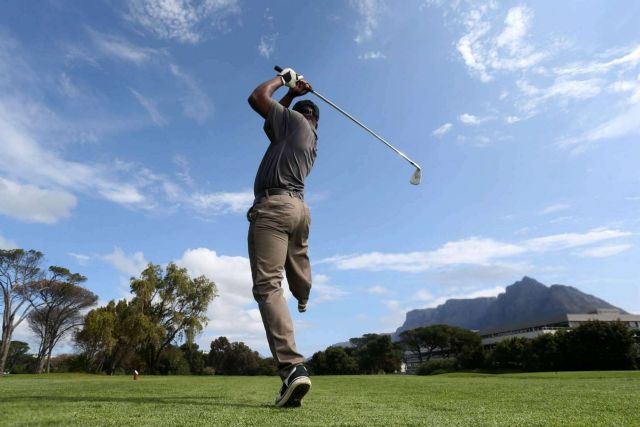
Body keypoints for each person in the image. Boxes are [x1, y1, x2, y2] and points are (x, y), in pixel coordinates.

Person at [247, 67, 319, 407]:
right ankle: (303, 295)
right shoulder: (309, 139)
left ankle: (291, 368)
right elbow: (272, 122)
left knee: (267, 285)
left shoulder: (294, 124)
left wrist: (285, 81)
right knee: (297, 259)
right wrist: (294, 96)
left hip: (274, 208)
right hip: (300, 210)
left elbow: (258, 99)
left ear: (296, 116)